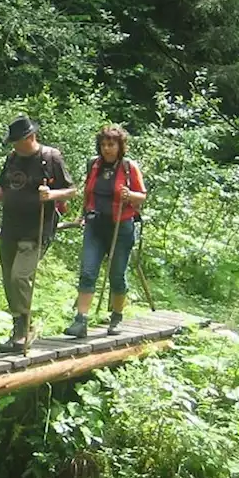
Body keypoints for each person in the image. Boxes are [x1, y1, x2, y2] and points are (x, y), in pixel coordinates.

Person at [0, 115, 76, 352]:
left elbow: (71, 190)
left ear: (30, 137)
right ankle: (19, 327)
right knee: (8, 278)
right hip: (10, 227)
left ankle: (24, 328)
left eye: (17, 141)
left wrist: (52, 195)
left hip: (37, 228)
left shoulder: (50, 157)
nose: (14, 146)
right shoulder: (13, 158)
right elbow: (2, 186)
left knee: (20, 276)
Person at [62, 125, 147, 337]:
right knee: (87, 272)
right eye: (103, 144)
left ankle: (116, 317)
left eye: (111, 144)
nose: (107, 149)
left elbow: (142, 196)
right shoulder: (94, 165)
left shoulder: (129, 167)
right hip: (95, 225)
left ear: (120, 146)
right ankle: (81, 321)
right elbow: (89, 193)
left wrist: (131, 195)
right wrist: (82, 214)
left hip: (121, 226)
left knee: (117, 276)